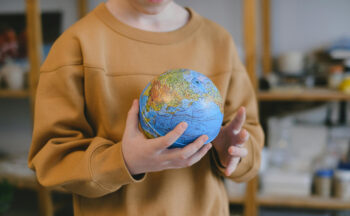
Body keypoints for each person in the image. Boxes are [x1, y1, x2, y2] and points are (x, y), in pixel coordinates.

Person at [28, 0, 264, 215]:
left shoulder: (218, 41)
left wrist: (232, 152)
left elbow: (250, 141)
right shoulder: (76, 45)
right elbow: (52, 161)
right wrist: (124, 161)